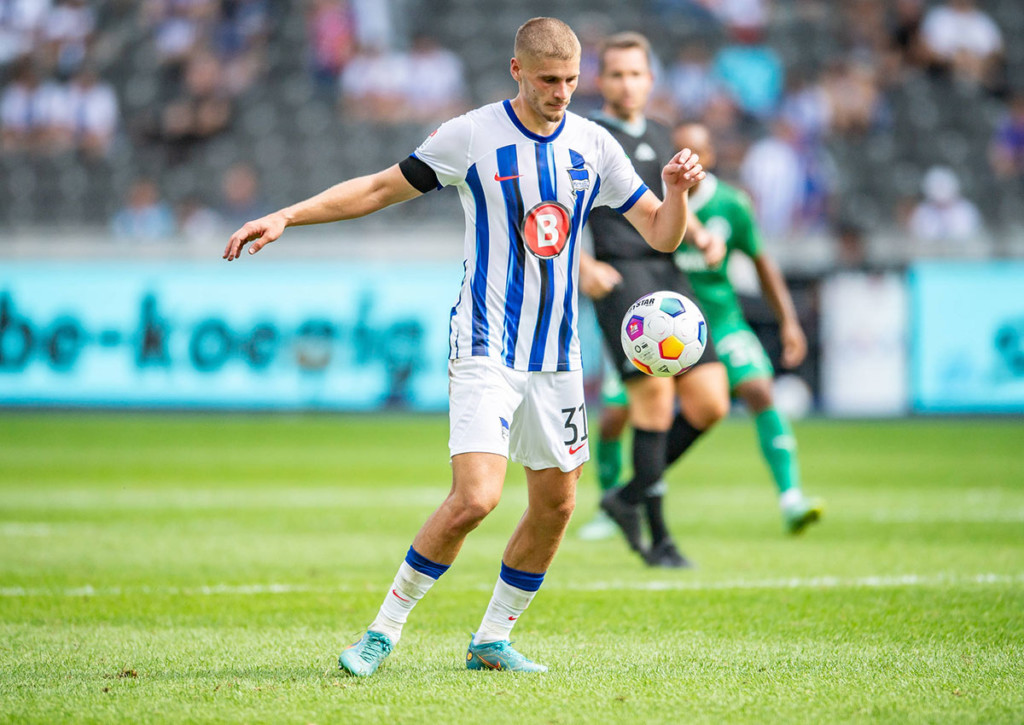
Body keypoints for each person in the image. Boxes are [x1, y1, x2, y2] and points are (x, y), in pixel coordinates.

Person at [223, 17, 705, 676]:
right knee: (476, 497)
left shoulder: (594, 145)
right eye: (547, 81)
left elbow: (661, 234)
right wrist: (287, 215)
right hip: (486, 341)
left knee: (557, 505)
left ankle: (491, 639)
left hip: (558, 355)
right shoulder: (473, 135)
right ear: (517, 71)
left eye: (569, 81)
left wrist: (676, 194)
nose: (560, 93)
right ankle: (382, 631)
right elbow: (376, 188)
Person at [576, 32, 730, 568]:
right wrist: (581, 264)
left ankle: (629, 496)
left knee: (711, 402)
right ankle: (660, 539)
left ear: (650, 79)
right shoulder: (586, 135)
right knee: (656, 401)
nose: (627, 83)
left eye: (635, 73)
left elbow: (668, 210)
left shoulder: (664, 134)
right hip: (619, 278)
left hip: (668, 277)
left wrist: (704, 235)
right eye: (616, 73)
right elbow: (555, 209)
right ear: (601, 80)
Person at [672, 122, 823, 533]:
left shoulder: (731, 204)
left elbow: (762, 262)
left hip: (721, 320)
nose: (688, 160)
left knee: (759, 389)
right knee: (616, 413)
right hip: (664, 329)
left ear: (710, 159)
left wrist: (788, 322)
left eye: (696, 153)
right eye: (679, 152)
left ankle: (791, 498)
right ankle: (617, 505)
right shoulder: (655, 201)